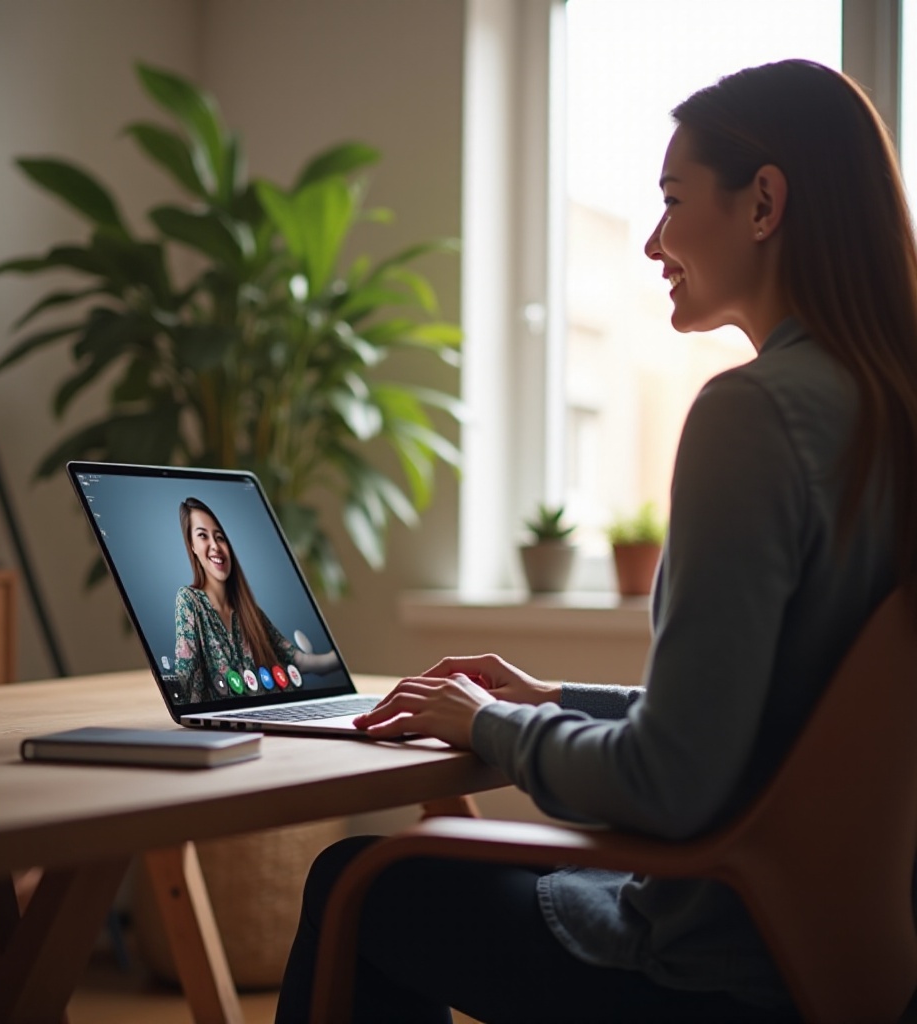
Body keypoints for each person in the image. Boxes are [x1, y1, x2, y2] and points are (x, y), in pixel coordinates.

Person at [275, 59, 917, 1023]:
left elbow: (673, 785)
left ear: (763, 203)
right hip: (855, 963)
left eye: (673, 200)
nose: (655, 240)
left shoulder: (756, 415)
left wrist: (483, 724)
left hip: (715, 968)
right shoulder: (888, 411)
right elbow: (776, 724)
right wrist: (552, 699)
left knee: (357, 886)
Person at [174, 497, 339, 704]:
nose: (215, 546)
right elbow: (186, 676)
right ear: (192, 546)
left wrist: (337, 657)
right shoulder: (189, 600)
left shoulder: (251, 612)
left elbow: (298, 659)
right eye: (203, 536)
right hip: (224, 719)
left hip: (277, 713)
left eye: (220, 537)